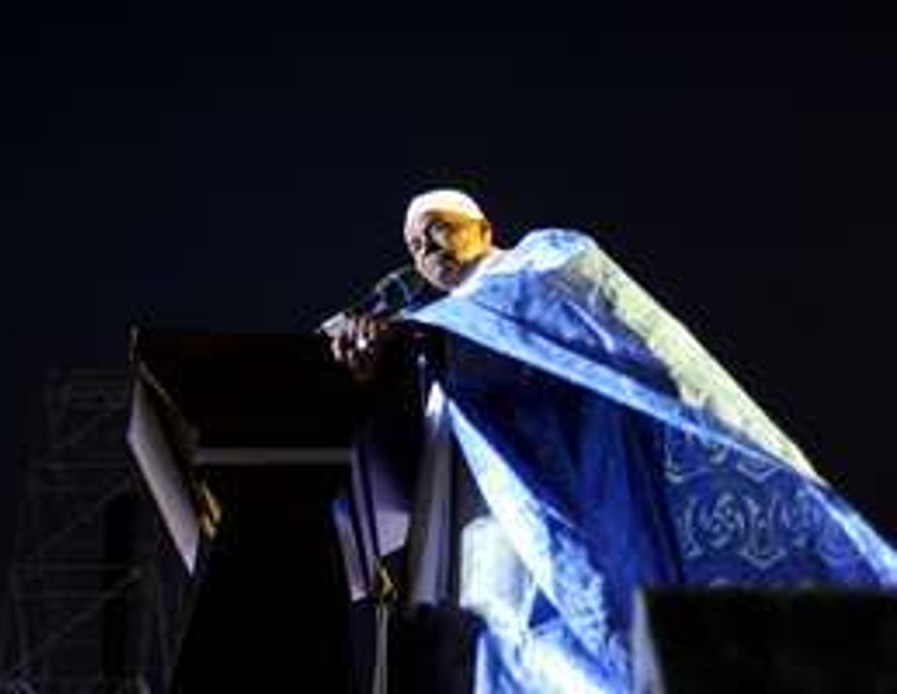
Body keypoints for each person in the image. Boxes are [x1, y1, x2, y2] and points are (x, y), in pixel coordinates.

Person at [324, 189, 897, 693]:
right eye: (417, 243)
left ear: (484, 229)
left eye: (439, 228)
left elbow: (558, 324)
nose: (428, 246)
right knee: (501, 642)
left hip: (577, 491)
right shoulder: (431, 324)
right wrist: (370, 354)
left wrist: (421, 329)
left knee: (600, 639)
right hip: (486, 513)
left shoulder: (545, 259)